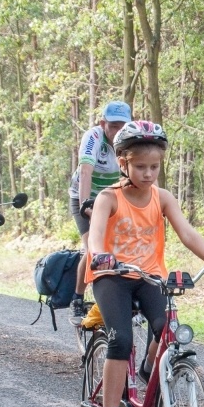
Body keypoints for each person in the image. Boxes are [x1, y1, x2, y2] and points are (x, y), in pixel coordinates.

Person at [86, 120, 204, 407]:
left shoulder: (162, 198)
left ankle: (149, 375)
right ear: (122, 163)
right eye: (140, 167)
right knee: (121, 339)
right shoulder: (108, 198)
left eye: (154, 166)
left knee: (167, 328)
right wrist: (99, 255)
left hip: (150, 277)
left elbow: (187, 233)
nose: (149, 173)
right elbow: (95, 237)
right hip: (112, 277)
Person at [68, 101, 133, 323]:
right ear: (102, 123)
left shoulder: (129, 140)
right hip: (83, 197)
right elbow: (86, 172)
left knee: (124, 245)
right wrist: (86, 204)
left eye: (122, 127)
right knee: (92, 249)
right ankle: (77, 298)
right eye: (113, 126)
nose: (117, 132)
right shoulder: (93, 138)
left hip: (111, 198)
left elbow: (132, 175)